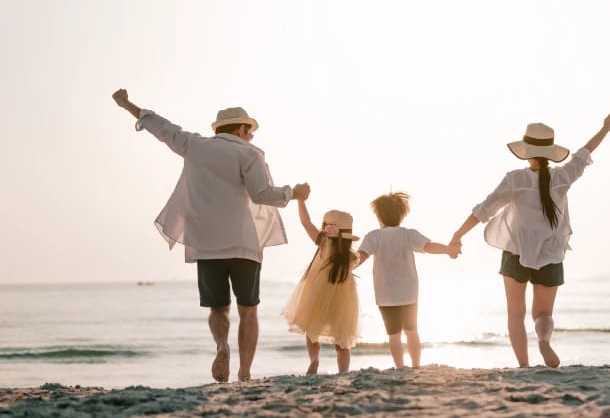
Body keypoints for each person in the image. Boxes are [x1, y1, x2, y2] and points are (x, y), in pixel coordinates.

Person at [112, 89, 310, 383]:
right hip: (243, 243)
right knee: (248, 309)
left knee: (218, 307)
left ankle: (221, 345)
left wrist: (128, 105)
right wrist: (293, 193)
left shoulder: (194, 145)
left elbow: (162, 128)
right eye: (250, 132)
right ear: (241, 129)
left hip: (205, 243)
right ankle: (244, 372)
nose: (251, 138)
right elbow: (261, 194)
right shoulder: (249, 154)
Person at [449, 112, 610, 368]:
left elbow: (484, 210)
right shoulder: (563, 176)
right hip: (551, 253)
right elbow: (584, 153)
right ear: (550, 152)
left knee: (515, 315)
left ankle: (524, 366)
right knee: (543, 314)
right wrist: (605, 128)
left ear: (526, 151)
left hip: (516, 252)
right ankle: (543, 339)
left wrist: (458, 235)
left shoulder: (515, 179)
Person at [356, 192, 456, 369]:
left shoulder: (373, 237)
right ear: (401, 215)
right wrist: (448, 249)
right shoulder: (409, 234)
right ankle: (416, 364)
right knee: (412, 332)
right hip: (409, 292)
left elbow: (361, 256)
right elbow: (429, 247)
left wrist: (346, 267)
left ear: (378, 216)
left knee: (393, 335)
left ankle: (400, 366)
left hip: (385, 293)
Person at [282, 198, 361, 374]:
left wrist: (301, 200)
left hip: (317, 292)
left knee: (312, 329)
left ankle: (314, 359)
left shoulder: (323, 243)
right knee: (342, 338)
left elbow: (305, 222)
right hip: (344, 298)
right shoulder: (351, 256)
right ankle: (343, 372)